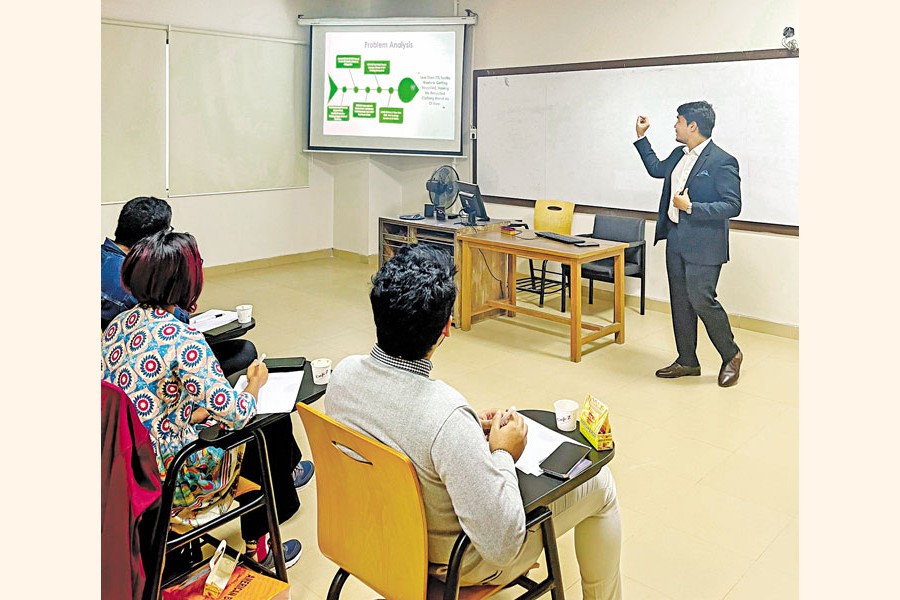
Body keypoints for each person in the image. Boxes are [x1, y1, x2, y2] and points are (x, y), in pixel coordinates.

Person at [324, 244, 622, 599]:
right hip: (453, 565)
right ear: (446, 329)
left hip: (374, 536)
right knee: (601, 484)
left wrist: (465, 431)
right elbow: (502, 545)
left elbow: (396, 425)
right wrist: (502, 454)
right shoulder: (445, 415)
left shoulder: (342, 376)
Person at [101, 231, 304, 568]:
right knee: (260, 431)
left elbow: (144, 404)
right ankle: (262, 546)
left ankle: (271, 518)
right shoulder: (183, 339)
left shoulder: (119, 325)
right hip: (173, 478)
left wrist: (192, 414)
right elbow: (237, 414)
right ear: (188, 282)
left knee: (228, 424)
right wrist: (254, 384)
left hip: (127, 467)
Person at [633, 101, 743, 387]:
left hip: (706, 245)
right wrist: (641, 137)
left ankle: (731, 355)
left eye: (678, 120)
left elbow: (733, 205)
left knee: (701, 300)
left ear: (693, 125)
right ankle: (687, 361)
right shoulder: (677, 154)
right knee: (680, 302)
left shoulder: (722, 160)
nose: (675, 125)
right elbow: (657, 170)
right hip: (676, 238)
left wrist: (693, 207)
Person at [101, 196, 255, 377]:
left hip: (122, 361)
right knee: (244, 350)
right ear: (153, 240)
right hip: (153, 362)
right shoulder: (132, 283)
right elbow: (175, 322)